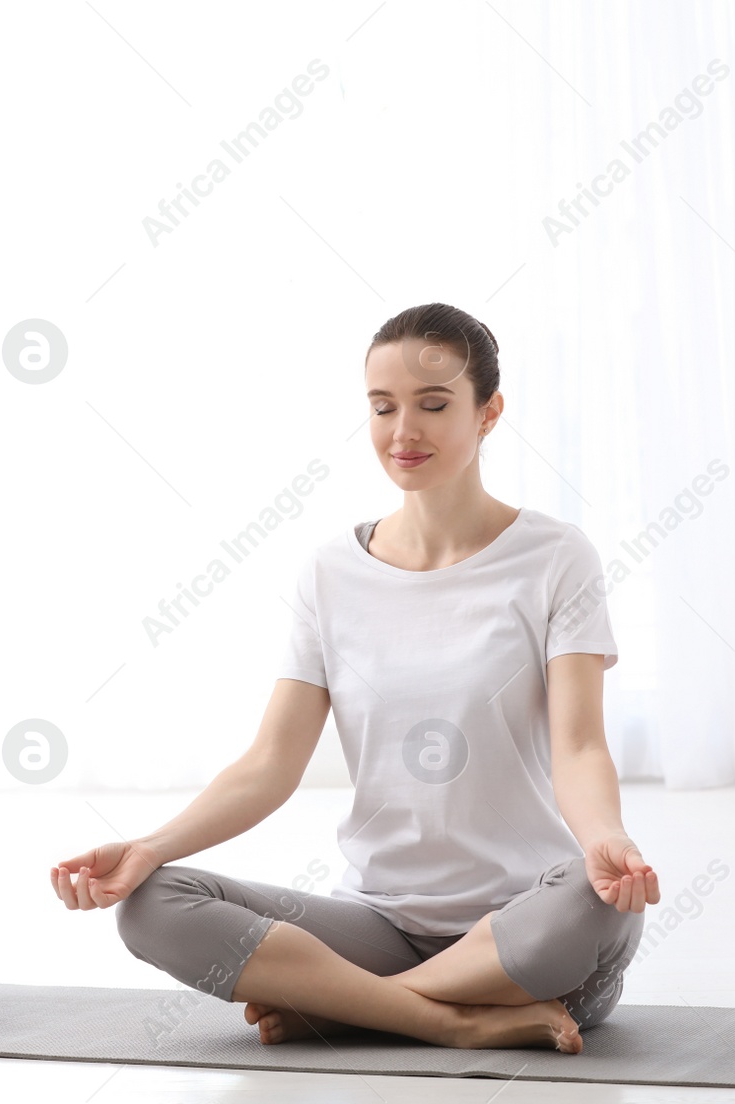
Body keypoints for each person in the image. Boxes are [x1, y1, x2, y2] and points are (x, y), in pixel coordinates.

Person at [50, 303, 659, 1053]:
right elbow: (271, 764)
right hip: (377, 926)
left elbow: (579, 748)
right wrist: (149, 846)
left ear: (488, 413)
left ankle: (345, 1008)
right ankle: (442, 1019)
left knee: (600, 906)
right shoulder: (331, 572)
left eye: (434, 405)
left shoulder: (558, 558)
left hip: (522, 924)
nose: (404, 432)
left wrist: (607, 838)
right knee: (152, 904)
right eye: (383, 407)